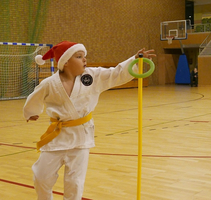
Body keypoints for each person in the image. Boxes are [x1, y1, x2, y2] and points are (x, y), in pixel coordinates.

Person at [23, 41, 156, 200]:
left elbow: (115, 73)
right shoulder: (50, 83)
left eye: (84, 56)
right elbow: (35, 97)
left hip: (81, 136)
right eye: (79, 57)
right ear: (65, 63)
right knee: (41, 176)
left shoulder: (92, 76)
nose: (85, 60)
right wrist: (31, 112)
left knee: (75, 182)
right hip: (57, 136)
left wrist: (134, 60)